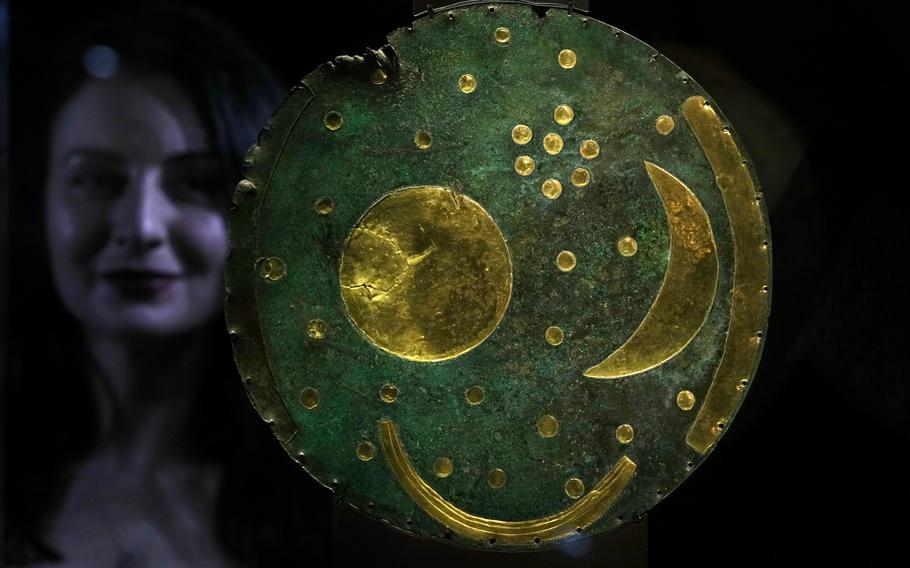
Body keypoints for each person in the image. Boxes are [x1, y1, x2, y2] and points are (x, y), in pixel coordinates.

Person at [3, 6, 331, 566]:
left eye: (197, 183)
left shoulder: (334, 499)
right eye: (97, 180)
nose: (140, 228)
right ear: (40, 204)